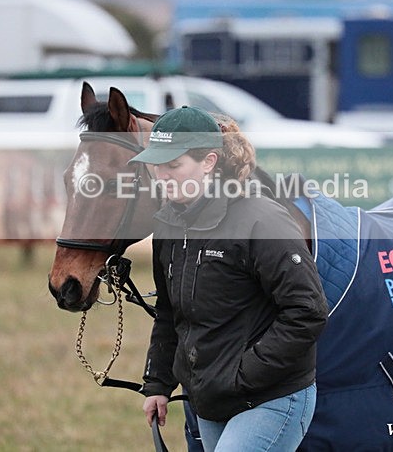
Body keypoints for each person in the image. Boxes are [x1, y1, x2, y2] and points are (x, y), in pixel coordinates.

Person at [130, 106, 328, 451]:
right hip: (212, 398)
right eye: (155, 166)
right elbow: (168, 311)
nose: (161, 176)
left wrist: (242, 374)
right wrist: (158, 384)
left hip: (272, 397)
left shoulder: (262, 220)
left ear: (209, 162)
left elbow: (307, 311)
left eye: (174, 166)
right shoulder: (167, 224)